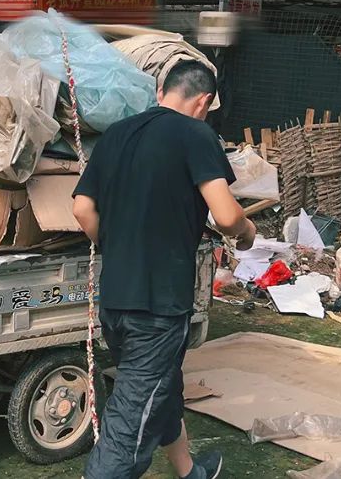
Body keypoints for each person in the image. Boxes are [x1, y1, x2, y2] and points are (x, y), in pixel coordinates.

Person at [73, 60, 256, 479]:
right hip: (157, 307)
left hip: (116, 301)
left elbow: (82, 208)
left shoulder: (117, 134)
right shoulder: (196, 134)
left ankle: (189, 470)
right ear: (203, 101)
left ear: (161, 92)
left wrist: (119, 246)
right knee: (129, 425)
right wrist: (246, 232)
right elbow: (226, 217)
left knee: (161, 387)